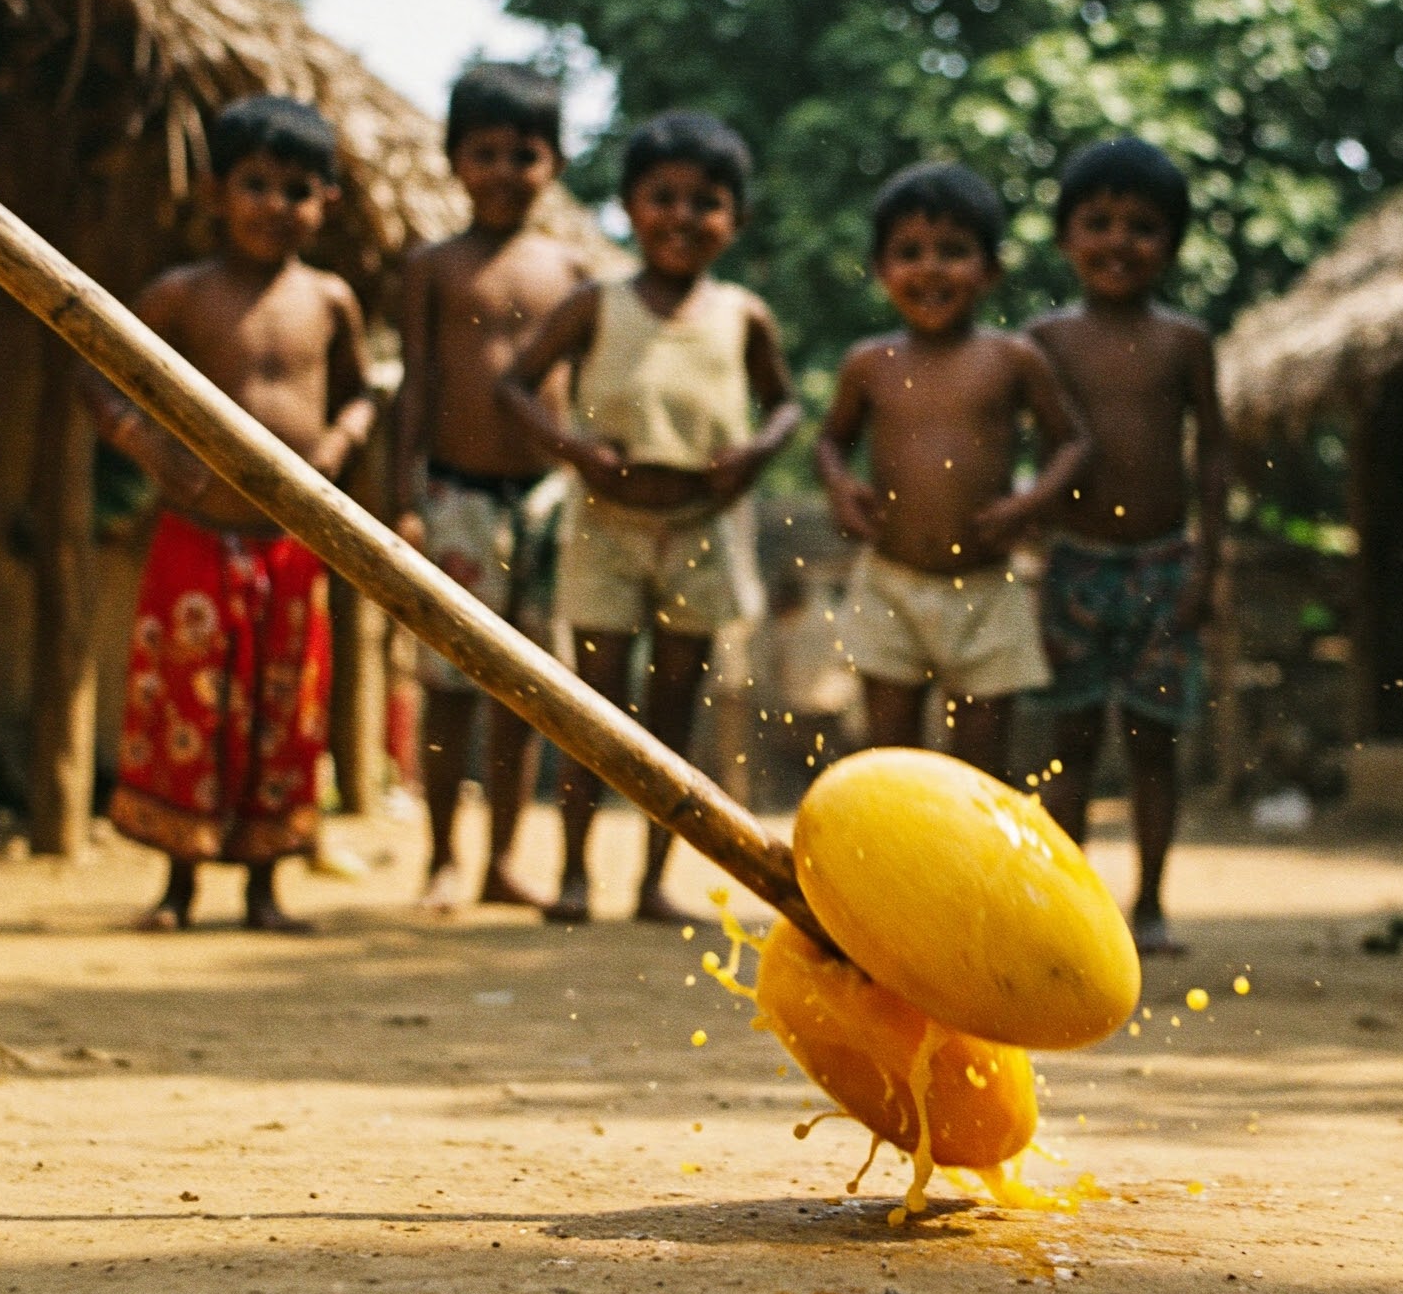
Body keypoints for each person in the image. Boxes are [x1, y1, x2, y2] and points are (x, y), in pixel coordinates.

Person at [498, 110, 798, 924]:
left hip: (701, 527)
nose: (683, 217)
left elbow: (787, 408)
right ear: (630, 206)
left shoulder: (742, 314)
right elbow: (515, 385)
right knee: (594, 709)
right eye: (662, 197)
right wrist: (572, 450)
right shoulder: (596, 304)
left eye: (706, 202)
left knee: (672, 714)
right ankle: (570, 875)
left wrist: (754, 454)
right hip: (605, 525)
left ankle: (654, 882)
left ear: (732, 220)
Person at [86, 95, 376, 932]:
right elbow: (95, 375)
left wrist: (338, 446)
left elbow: (361, 396)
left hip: (288, 544)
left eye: (297, 189)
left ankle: (264, 891)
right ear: (215, 193)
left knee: (285, 711)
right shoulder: (180, 297)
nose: (275, 206)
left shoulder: (330, 301)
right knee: (189, 703)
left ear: (326, 204)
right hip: (196, 538)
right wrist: (147, 448)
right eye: (256, 184)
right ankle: (179, 887)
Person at [817, 162, 1089, 779]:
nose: (931, 267)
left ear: (990, 269)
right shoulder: (869, 363)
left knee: (981, 767)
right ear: (882, 270)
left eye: (954, 251)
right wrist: (840, 487)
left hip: (987, 588)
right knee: (891, 763)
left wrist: (1029, 504)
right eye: (908, 252)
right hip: (890, 581)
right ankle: (894, 877)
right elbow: (829, 443)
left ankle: (969, 879)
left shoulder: (1013, 358)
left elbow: (1072, 444)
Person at [1027, 138, 1228, 956]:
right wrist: (1030, 557)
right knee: (1068, 746)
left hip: (1163, 564)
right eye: (1097, 223)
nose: (1118, 242)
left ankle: (1148, 905)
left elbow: (1213, 452)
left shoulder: (1186, 344)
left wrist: (1208, 563)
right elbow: (1022, 451)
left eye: (1142, 227)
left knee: (1154, 747)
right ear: (1066, 237)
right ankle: (1064, 909)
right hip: (1070, 563)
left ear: (1173, 244)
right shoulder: (1043, 340)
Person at [393, 63, 585, 912]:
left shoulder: (572, 270)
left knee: (527, 695)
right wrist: (404, 495)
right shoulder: (432, 268)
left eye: (525, 154)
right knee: (449, 692)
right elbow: (416, 384)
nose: (505, 172)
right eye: (485, 154)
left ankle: (503, 859)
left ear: (556, 162)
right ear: (453, 160)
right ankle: (441, 856)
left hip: (545, 499)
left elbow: (581, 391)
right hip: (456, 494)